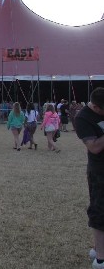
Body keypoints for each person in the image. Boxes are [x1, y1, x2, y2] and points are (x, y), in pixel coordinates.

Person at [74, 87, 104, 269]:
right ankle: (100, 258)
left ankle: (98, 247)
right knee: (100, 212)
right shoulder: (82, 118)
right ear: (95, 106)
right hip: (100, 172)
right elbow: (94, 147)